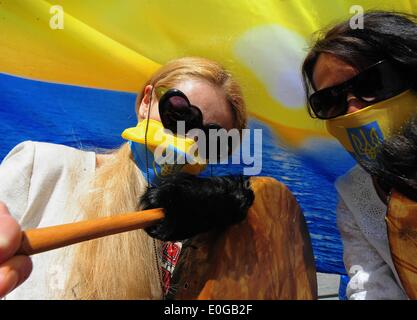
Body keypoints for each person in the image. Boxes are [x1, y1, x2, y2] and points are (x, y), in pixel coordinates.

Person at [0, 56, 249, 299]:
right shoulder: (41, 168)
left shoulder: (195, 237)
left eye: (209, 138)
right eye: (179, 113)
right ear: (147, 101)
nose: (188, 138)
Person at [301, 11, 417, 299]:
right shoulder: (355, 192)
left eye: (371, 85)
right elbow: (371, 286)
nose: (352, 110)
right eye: (329, 101)